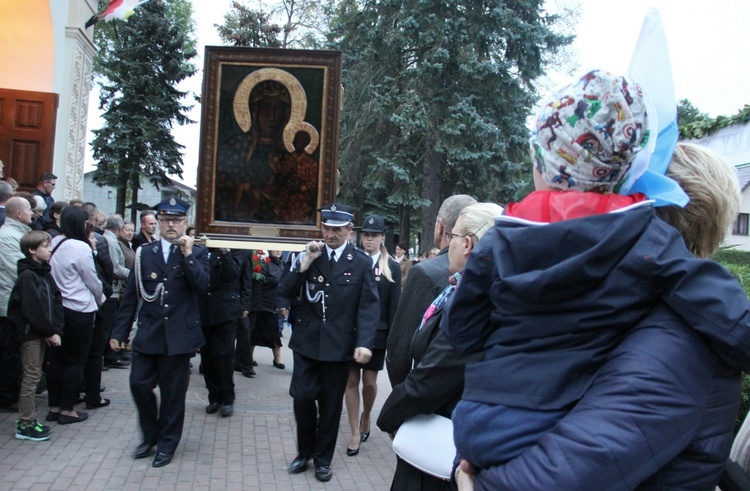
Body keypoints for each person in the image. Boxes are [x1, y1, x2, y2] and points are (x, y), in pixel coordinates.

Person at [442, 71, 750, 472]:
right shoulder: (646, 238)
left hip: (481, 419)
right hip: (555, 420)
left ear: (541, 163)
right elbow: (720, 310)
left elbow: (461, 328)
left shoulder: (502, 239)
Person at [377, 203, 503, 490]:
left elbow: (430, 379)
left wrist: (390, 418)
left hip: (443, 442)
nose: (449, 243)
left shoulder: (475, 304)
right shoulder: (466, 290)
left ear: (467, 244)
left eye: (454, 236)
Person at [279, 203, 380, 482]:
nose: (330, 234)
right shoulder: (310, 254)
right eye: (326, 227)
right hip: (306, 341)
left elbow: (369, 307)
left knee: (330, 405)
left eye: (337, 229)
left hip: (339, 346)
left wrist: (365, 342)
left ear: (349, 230)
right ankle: (304, 452)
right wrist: (304, 264)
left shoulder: (360, 262)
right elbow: (285, 290)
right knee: (301, 398)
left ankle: (322, 460)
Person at [110, 197, 209, 468]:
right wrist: (119, 331)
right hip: (149, 333)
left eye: (177, 220)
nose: (171, 225)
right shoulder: (145, 253)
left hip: (178, 337)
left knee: (173, 394)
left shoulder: (197, 253)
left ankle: (167, 443)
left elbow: (202, 286)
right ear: (158, 223)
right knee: (139, 385)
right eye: (165, 220)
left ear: (185, 223)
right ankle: (149, 435)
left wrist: (188, 255)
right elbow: (132, 295)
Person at [385, 194, 477, 388]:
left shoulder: (424, 273)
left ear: (441, 226)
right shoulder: (490, 270)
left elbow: (399, 350)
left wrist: (403, 399)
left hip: (428, 392)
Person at [344, 214, 401, 456]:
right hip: (350, 331)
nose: (369, 239)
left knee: (369, 383)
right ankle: (355, 431)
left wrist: (392, 339)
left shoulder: (393, 268)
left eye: (374, 235)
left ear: (382, 238)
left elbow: (394, 306)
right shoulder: (352, 261)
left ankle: (367, 415)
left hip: (377, 333)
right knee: (351, 381)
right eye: (365, 234)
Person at [47, 206, 105, 424]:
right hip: (79, 308)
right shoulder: (80, 247)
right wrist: (101, 299)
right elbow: (92, 280)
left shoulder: (55, 242)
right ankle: (68, 409)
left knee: (58, 359)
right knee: (76, 360)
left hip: (58, 307)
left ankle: (54, 406)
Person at [7, 230, 63, 441]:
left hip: (41, 332)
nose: (49, 250)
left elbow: (55, 300)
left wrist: (55, 328)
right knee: (31, 377)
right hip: (32, 334)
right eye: (45, 246)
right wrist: (49, 331)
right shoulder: (28, 276)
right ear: (32, 250)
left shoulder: (43, 273)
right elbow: (33, 309)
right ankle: (25, 423)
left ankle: (28, 420)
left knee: (35, 374)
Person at [198, 247, 246, 418]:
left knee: (224, 357)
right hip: (204, 310)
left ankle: (227, 399)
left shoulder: (234, 249)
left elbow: (233, 274)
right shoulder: (200, 248)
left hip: (225, 311)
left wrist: (225, 253)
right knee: (207, 357)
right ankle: (214, 398)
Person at [0, 197, 34, 410]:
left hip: (15, 303)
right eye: (29, 209)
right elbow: (19, 270)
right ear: (19, 214)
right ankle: (6, 396)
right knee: (9, 353)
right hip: (7, 305)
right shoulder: (7, 238)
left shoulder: (18, 234)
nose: (33, 212)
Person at [101, 215, 131, 370]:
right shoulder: (111, 241)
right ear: (119, 228)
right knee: (108, 326)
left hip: (114, 289)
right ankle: (109, 355)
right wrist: (131, 274)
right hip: (112, 290)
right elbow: (114, 267)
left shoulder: (111, 240)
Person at [249, 250, 285, 370]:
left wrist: (283, 304)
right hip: (261, 300)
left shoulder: (283, 264)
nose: (278, 251)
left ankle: (277, 359)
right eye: (276, 248)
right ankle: (249, 357)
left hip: (273, 302)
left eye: (280, 248)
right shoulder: (262, 261)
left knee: (274, 332)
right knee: (254, 330)